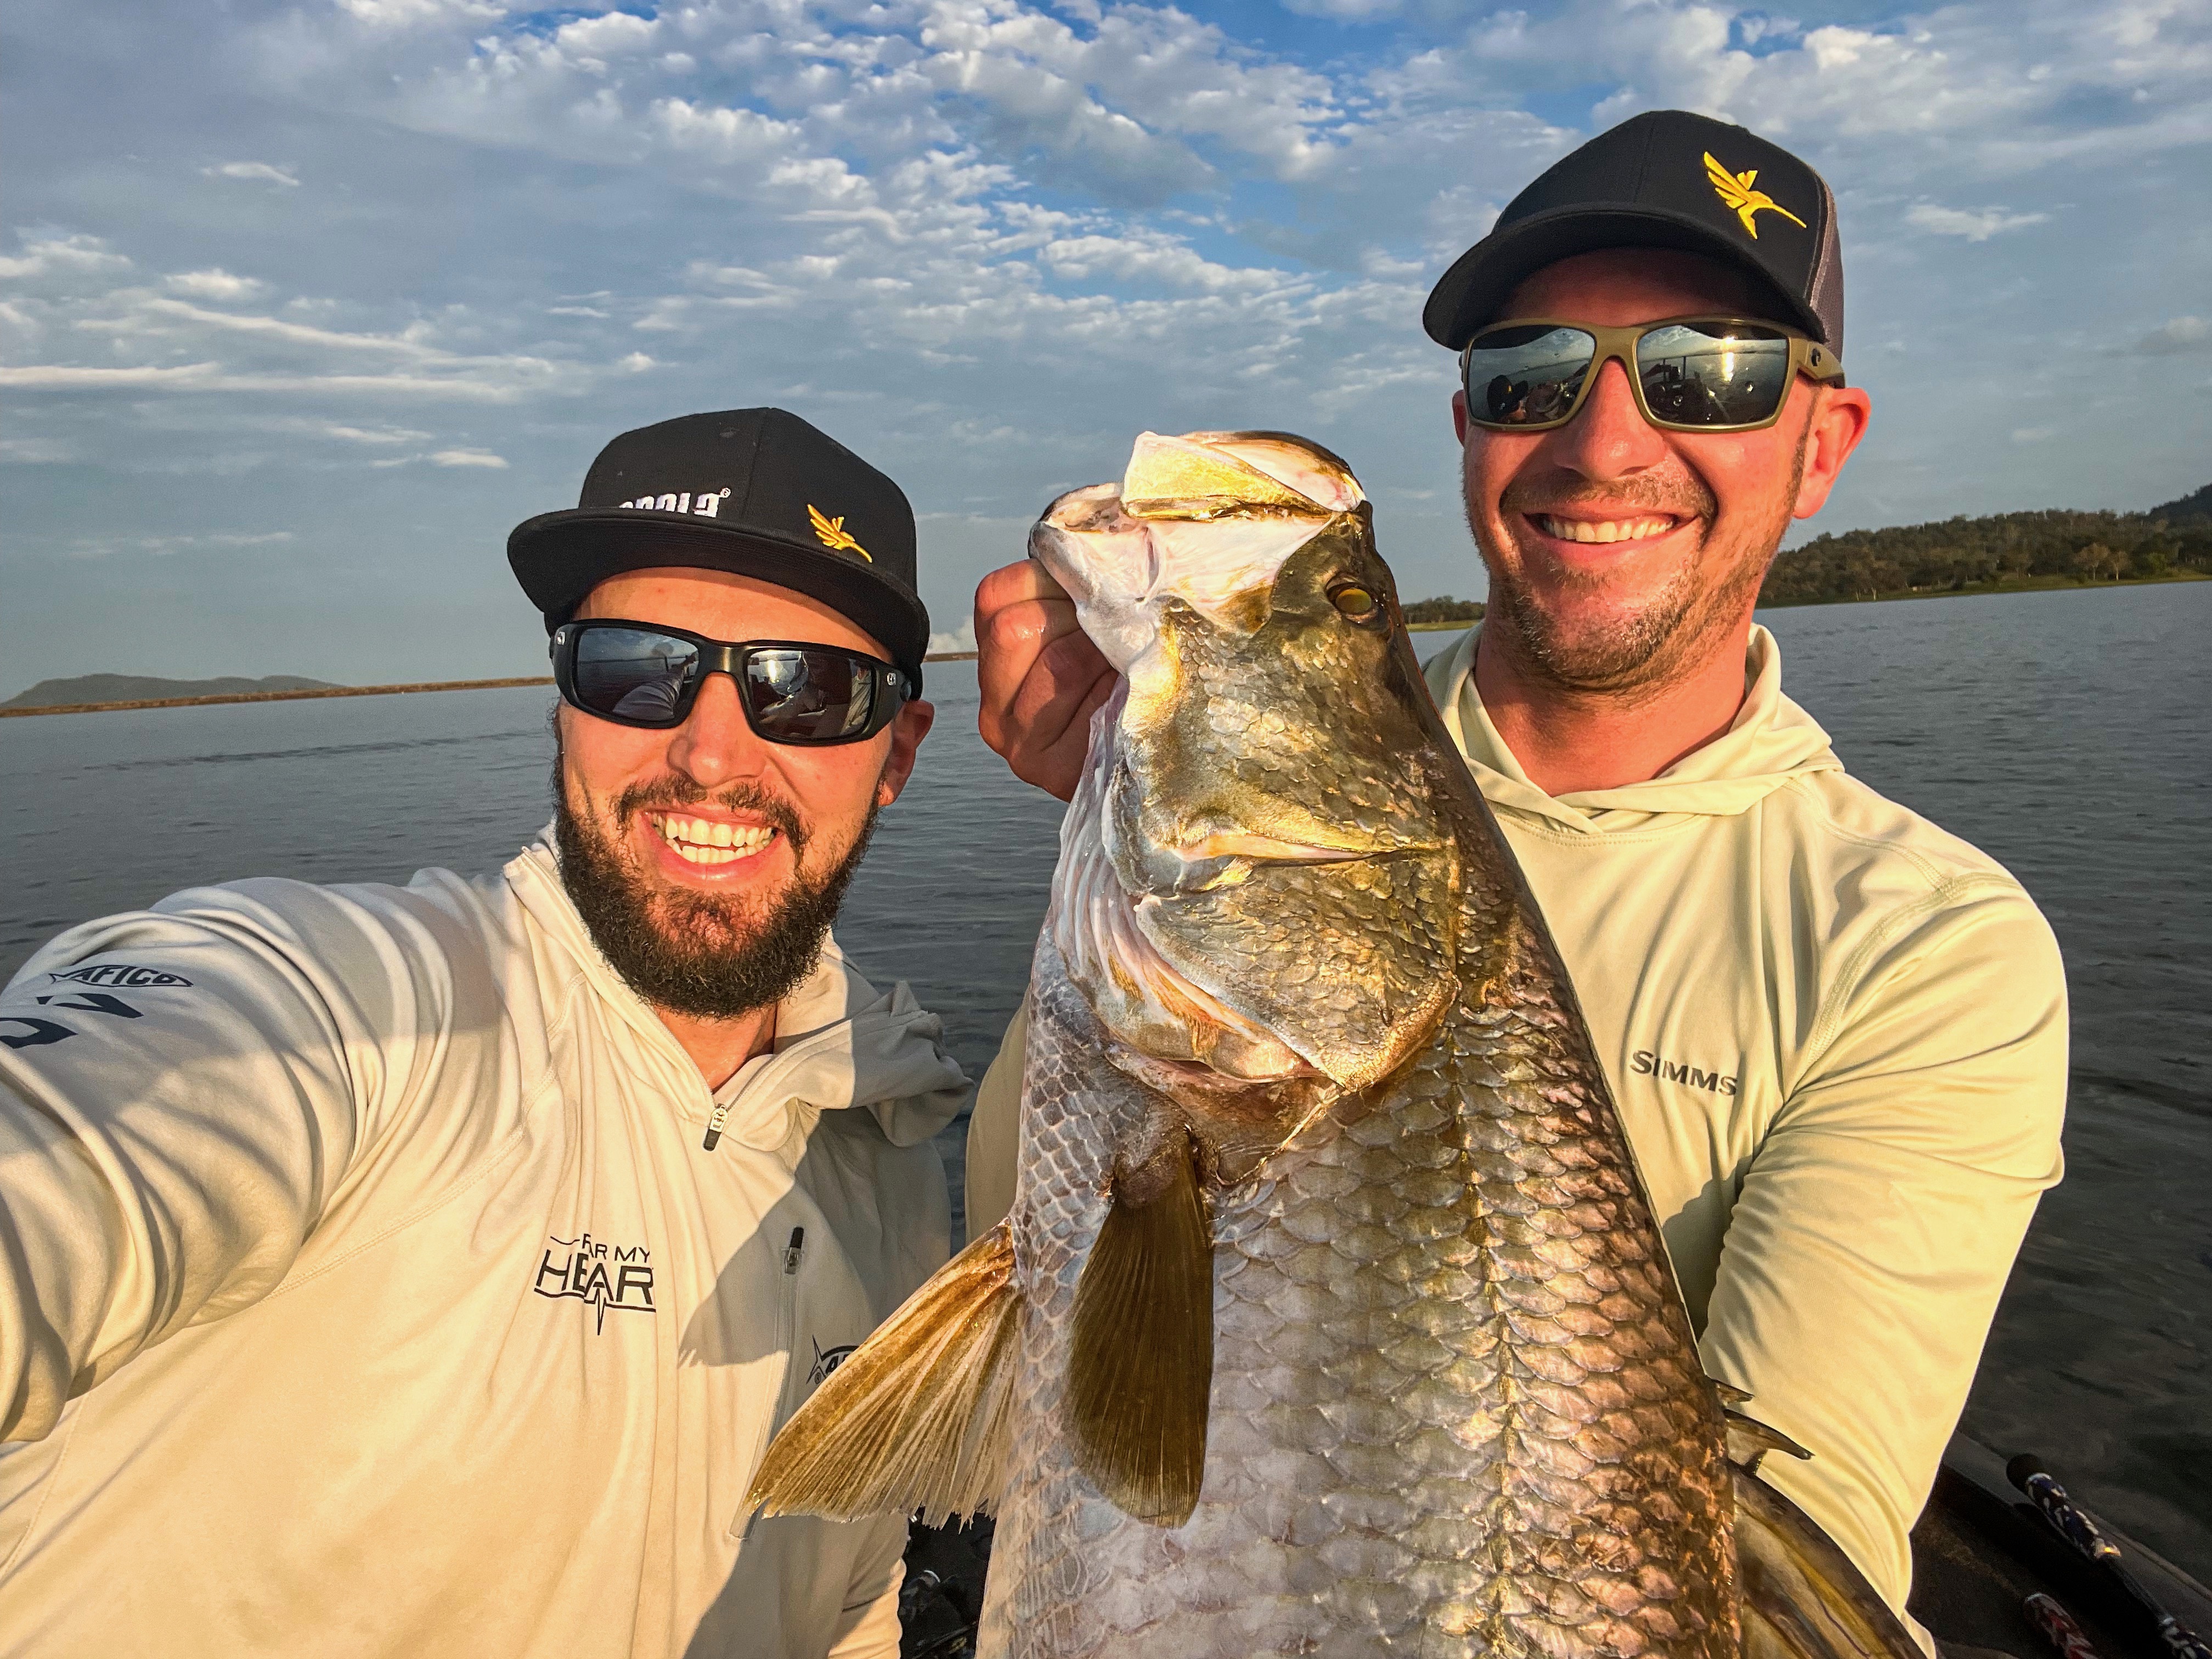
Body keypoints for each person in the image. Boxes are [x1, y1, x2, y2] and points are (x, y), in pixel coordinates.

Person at [964, 109, 2067, 1646]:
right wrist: (1099, 799)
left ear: (1823, 442)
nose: (1605, 443)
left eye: (1714, 371)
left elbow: (1792, 1547)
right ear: (1473, 430)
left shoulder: (1930, 946)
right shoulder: (1272, 797)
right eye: (1531, 372)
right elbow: (1030, 1274)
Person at [0, 408, 968, 1658]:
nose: (712, 750)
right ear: (564, 704)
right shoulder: (363, 1007)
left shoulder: (888, 1156)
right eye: (635, 667)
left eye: (808, 686)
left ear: (896, 754)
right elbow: (80, 1147)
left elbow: (846, 1603)